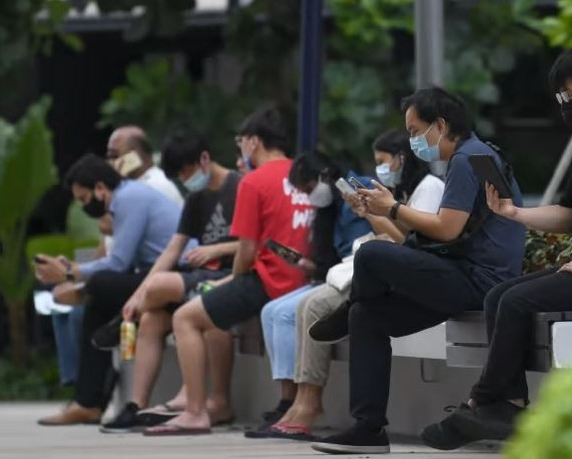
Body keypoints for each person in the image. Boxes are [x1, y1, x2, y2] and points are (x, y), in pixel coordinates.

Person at [420, 44, 572, 450]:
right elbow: (570, 214)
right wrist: (515, 213)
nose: (564, 106)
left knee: (515, 302)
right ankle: (507, 403)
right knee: (499, 295)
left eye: (569, 96)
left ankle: (485, 401)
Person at [310, 88, 526, 454]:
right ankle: (369, 429)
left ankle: (348, 308)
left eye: (414, 131)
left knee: (371, 256)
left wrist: (391, 207)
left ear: (440, 125)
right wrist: (383, 209)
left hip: (479, 280)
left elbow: (447, 228)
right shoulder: (478, 154)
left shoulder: (467, 158)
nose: (412, 141)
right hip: (463, 273)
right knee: (367, 316)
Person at [261, 128, 444, 440]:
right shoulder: (399, 192)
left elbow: (407, 244)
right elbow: (399, 238)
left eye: (383, 162)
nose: (379, 170)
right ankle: (301, 401)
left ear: (401, 158)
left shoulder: (426, 188)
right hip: (364, 271)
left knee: (324, 307)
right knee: (337, 311)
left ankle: (311, 402)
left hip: (398, 275)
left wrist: (372, 212)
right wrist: (371, 213)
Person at [142, 107, 314, 436]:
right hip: (304, 280)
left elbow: (247, 252)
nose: (240, 150)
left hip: (270, 280)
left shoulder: (254, 182)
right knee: (210, 313)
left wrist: (232, 279)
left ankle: (194, 411)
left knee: (185, 318)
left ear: (253, 142)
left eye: (241, 143)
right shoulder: (303, 175)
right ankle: (217, 403)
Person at [97, 132, 242, 433]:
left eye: (185, 171)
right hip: (201, 275)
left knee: (162, 289)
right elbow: (173, 250)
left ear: (204, 159)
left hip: (229, 274)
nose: (184, 179)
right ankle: (136, 405)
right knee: (150, 317)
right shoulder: (195, 198)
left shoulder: (239, 186)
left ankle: (198, 399)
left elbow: (257, 244)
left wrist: (217, 249)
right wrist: (137, 296)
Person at [34, 154, 181, 426]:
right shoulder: (124, 200)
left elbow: (118, 262)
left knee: (100, 286)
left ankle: (89, 399)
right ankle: (88, 401)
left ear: (100, 188)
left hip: (178, 275)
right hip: (152, 276)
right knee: (98, 295)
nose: (84, 206)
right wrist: (75, 273)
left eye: (83, 199)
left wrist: (70, 273)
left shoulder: (130, 198)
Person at [244, 153, 371, 439]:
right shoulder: (328, 208)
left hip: (361, 271)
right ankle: (293, 399)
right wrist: (305, 263)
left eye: (309, 188)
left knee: (303, 308)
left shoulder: (357, 189)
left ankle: (307, 402)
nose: (309, 197)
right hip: (338, 273)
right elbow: (332, 259)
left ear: (324, 176)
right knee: (272, 310)